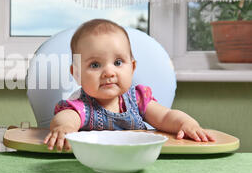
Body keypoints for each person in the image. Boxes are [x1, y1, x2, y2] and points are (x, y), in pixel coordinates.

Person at [44, 19, 216, 152]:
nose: (109, 72)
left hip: (136, 159)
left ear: (132, 68)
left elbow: (165, 117)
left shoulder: (138, 100)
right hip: (94, 160)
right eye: (95, 65)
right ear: (77, 74)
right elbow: (67, 117)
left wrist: (186, 124)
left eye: (118, 62)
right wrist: (64, 128)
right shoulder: (81, 107)